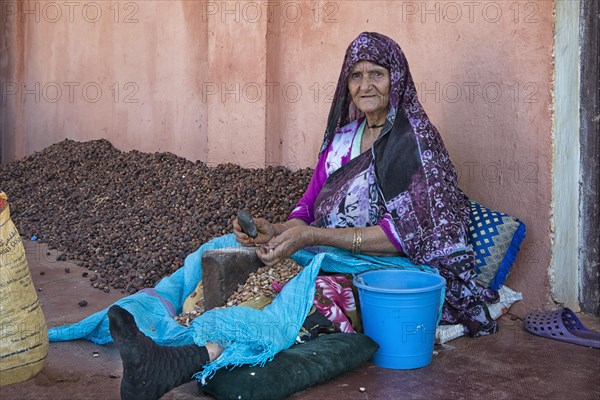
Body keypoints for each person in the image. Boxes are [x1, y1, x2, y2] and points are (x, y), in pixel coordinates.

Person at [107, 31, 499, 400]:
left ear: (396, 78)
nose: (365, 86)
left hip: (394, 274)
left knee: (304, 299)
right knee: (227, 255)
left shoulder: (416, 145)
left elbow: (407, 238)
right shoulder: (344, 139)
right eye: (356, 76)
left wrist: (312, 238)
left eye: (377, 74)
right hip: (328, 257)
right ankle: (166, 337)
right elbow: (308, 208)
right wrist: (274, 231)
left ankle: (189, 359)